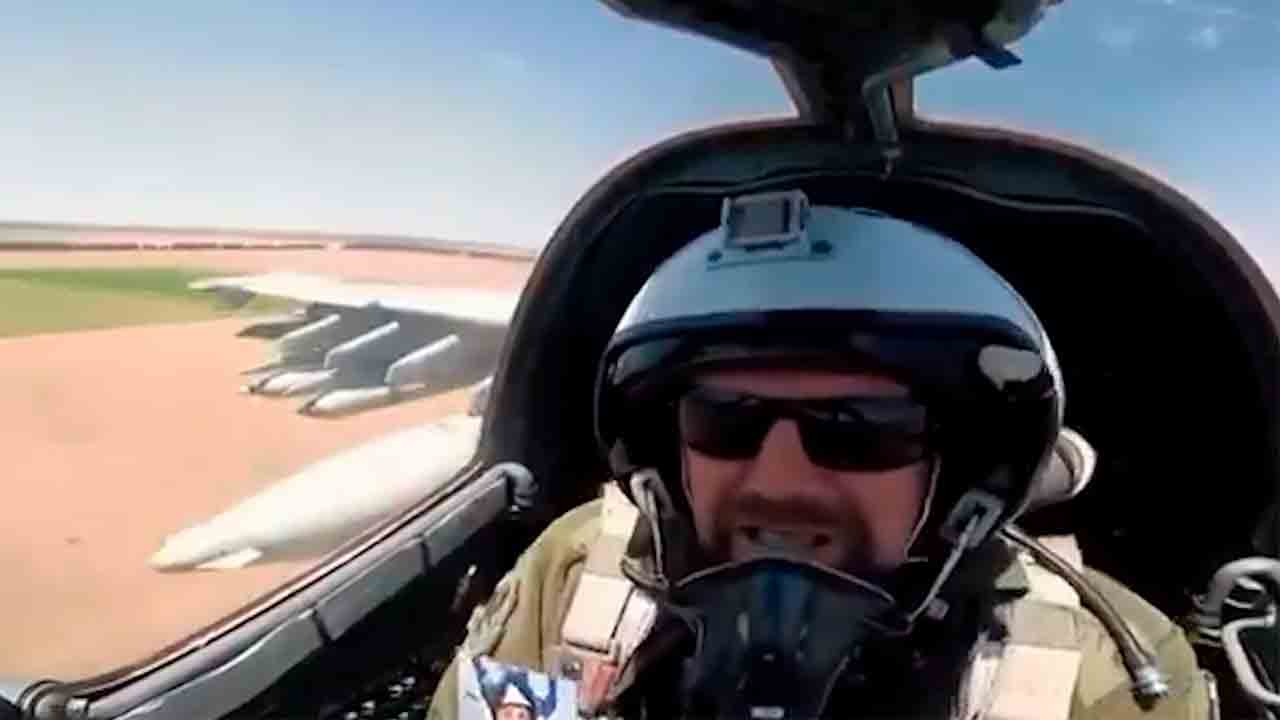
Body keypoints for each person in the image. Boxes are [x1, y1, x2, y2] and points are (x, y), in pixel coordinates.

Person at [428, 190, 1214, 719]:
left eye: (858, 428)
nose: (778, 479)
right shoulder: (576, 585)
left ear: (955, 477)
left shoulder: (1103, 676)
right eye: (725, 419)